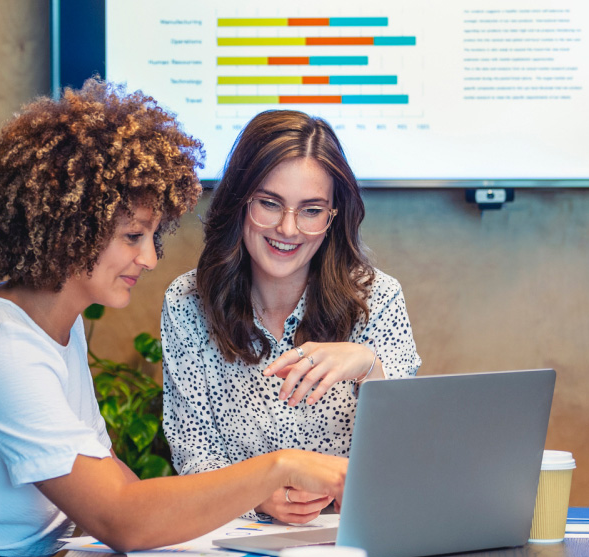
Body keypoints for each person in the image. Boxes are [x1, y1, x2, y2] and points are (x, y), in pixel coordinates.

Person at [0, 82, 347, 557]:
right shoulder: (0, 348)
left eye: (153, 238)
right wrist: (280, 466)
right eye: (133, 237)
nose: (150, 260)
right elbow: (121, 515)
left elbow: (118, 483)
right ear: (70, 230)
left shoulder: (58, 329)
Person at [161, 110, 421, 526]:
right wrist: (258, 497)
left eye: (311, 210)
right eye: (269, 203)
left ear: (333, 217)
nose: (288, 228)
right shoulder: (188, 302)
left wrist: (368, 366)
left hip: (351, 537)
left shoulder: (379, 297)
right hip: (234, 538)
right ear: (239, 201)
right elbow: (193, 450)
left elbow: (408, 452)